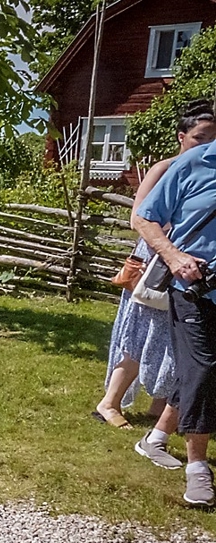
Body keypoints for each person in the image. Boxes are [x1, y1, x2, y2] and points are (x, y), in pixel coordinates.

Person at [96, 102, 216, 468]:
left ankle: (161, 409)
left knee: (178, 349)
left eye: (212, 137)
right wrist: (173, 250)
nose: (206, 143)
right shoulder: (166, 167)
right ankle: (110, 402)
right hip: (159, 263)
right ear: (183, 137)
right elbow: (140, 216)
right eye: (199, 137)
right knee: (140, 337)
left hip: (187, 272)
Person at [135, 115, 216, 506]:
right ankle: (198, 469)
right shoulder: (194, 163)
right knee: (204, 369)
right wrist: (172, 255)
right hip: (195, 289)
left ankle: (156, 436)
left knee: (202, 371)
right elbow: (145, 217)